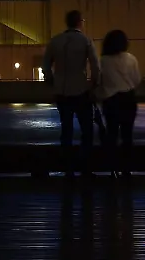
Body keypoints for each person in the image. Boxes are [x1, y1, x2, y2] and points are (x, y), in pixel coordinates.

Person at [42, 10, 102, 167]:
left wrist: (51, 80)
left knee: (66, 129)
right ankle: (85, 165)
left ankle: (67, 166)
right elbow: (95, 66)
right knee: (86, 130)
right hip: (81, 90)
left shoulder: (55, 41)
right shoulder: (86, 41)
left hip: (61, 91)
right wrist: (94, 84)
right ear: (80, 22)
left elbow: (46, 64)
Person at [97, 29, 141, 151]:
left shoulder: (103, 61)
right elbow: (137, 80)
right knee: (127, 135)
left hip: (111, 100)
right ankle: (126, 166)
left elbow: (99, 81)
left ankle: (113, 165)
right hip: (128, 99)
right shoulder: (131, 59)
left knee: (112, 134)